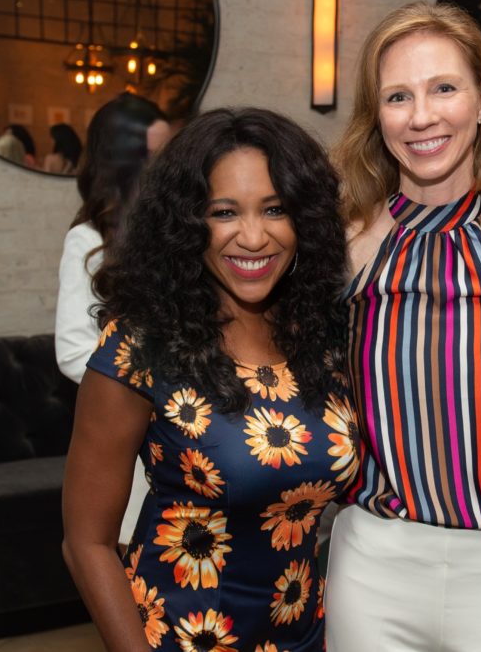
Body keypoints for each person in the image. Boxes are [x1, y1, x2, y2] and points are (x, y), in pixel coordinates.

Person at [62, 107, 355, 651]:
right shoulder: (139, 348)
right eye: (224, 212)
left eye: (274, 209)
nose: (252, 236)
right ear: (187, 223)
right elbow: (86, 543)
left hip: (307, 637)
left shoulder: (327, 339)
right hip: (181, 638)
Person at [326, 1, 481, 651]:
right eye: (398, 96)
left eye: (443, 88)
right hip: (373, 559)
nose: (421, 116)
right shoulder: (347, 242)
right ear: (378, 115)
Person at [55, 92, 170, 546]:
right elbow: (73, 350)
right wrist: (160, 383)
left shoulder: (181, 229)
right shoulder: (88, 240)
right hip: (135, 443)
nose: (163, 169)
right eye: (151, 156)